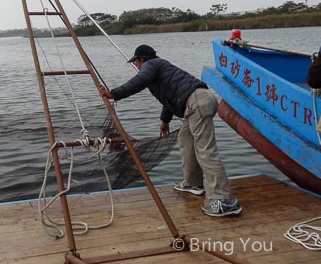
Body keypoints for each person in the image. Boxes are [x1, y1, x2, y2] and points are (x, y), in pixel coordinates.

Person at [98, 44, 242, 217]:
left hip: (198, 102)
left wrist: (114, 94)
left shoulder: (151, 65)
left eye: (136, 62)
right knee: (185, 138)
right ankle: (194, 183)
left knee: (206, 150)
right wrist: (164, 121)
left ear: (140, 60)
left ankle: (223, 200)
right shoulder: (160, 70)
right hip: (196, 103)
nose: (136, 66)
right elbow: (170, 96)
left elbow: (139, 82)